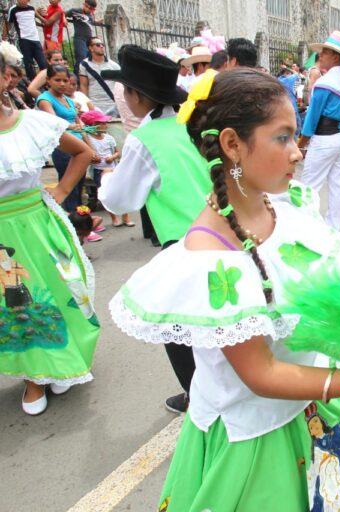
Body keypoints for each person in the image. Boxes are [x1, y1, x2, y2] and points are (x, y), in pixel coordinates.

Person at [109, 67, 340, 511]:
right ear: (231, 144)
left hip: (308, 414)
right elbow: (262, 375)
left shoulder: (288, 207)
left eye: (295, 135)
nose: (298, 152)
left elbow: (327, 301)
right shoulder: (213, 261)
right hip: (253, 444)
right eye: (282, 137)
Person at [98, 45, 209, 413]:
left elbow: (118, 201)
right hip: (226, 233)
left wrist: (108, 176)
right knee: (219, 322)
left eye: (125, 90)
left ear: (137, 94)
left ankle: (200, 399)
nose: (123, 97)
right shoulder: (195, 122)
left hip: (184, 247)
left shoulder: (144, 140)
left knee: (175, 326)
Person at [0, 50, 100, 416]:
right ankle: (33, 376)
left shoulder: (32, 123)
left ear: (7, 77)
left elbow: (83, 153)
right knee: (18, 304)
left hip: (40, 226)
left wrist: (59, 192)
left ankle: (64, 359)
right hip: (2, 242)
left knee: (63, 291)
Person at [297, 31, 340, 231]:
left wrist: (300, 146)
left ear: (335, 56)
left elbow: (311, 121)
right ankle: (334, 228)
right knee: (336, 185)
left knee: (308, 186)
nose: (320, 55)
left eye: (324, 52)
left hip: (326, 139)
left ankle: (305, 229)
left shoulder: (325, 84)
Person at [36, 65, 93, 216]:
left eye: (65, 80)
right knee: (69, 186)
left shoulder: (68, 99)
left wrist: (89, 147)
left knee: (80, 184)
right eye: (57, 80)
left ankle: (83, 218)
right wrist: (70, 126)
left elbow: (79, 124)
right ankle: (73, 221)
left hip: (79, 146)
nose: (62, 84)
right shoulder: (44, 99)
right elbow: (53, 121)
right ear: (48, 80)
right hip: (63, 148)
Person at [81, 109, 132, 228]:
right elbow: (89, 154)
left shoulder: (109, 138)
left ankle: (126, 217)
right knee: (106, 194)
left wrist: (112, 157)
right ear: (94, 125)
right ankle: (114, 218)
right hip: (98, 170)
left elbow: (117, 153)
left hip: (113, 167)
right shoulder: (87, 138)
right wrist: (93, 158)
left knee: (121, 193)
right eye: (102, 123)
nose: (106, 125)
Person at [79, 36, 119, 115]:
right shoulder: (84, 65)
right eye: (97, 45)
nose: (101, 46)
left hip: (112, 104)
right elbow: (83, 86)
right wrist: (86, 105)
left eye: (102, 44)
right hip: (95, 105)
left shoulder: (114, 65)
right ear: (90, 48)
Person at [6, 0, 46, 80]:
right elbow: (8, 23)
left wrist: (41, 24)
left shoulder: (31, 9)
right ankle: (31, 81)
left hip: (35, 39)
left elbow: (32, 20)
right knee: (28, 63)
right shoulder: (13, 9)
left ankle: (44, 81)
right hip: (24, 39)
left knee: (42, 63)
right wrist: (4, 36)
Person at [65, 0, 97, 77]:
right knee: (81, 57)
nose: (88, 10)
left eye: (91, 9)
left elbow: (90, 23)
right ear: (85, 5)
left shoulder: (90, 14)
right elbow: (62, 13)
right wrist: (64, 19)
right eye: (87, 7)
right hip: (79, 38)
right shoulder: (75, 11)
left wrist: (98, 21)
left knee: (90, 59)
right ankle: (76, 76)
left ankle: (87, 76)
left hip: (89, 40)